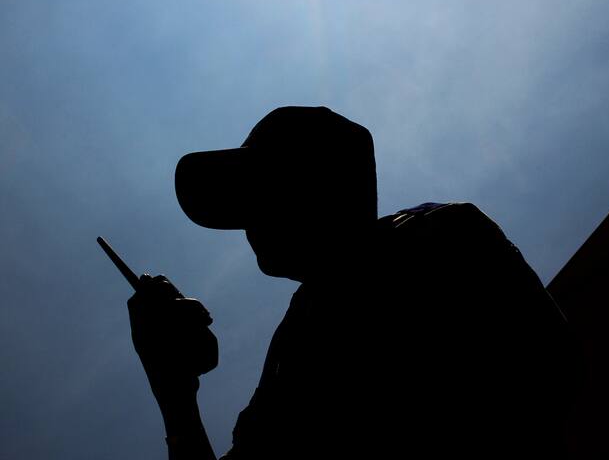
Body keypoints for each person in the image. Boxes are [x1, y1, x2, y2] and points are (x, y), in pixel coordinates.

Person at [127, 106, 577, 459]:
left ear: (321, 184)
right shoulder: (294, 341)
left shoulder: (433, 237)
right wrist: (175, 390)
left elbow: (545, 373)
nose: (249, 225)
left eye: (264, 193)